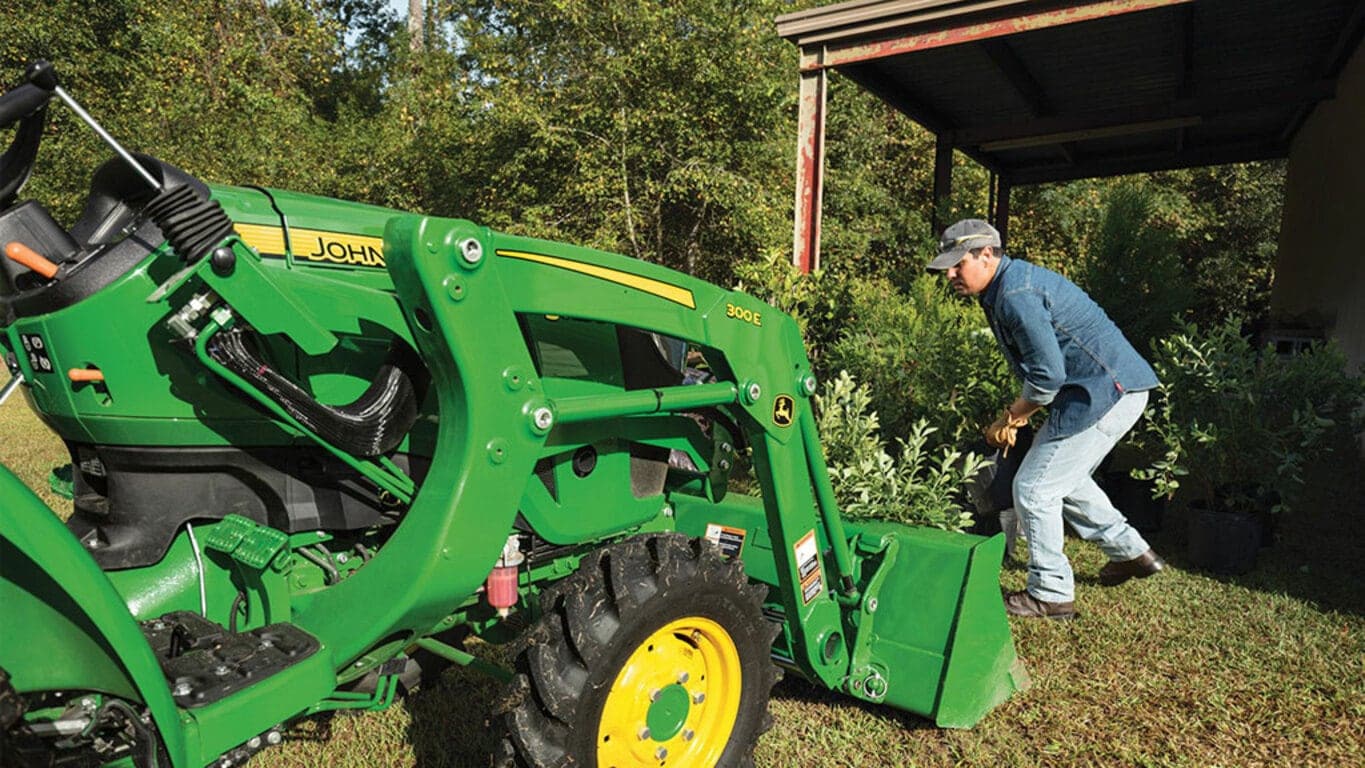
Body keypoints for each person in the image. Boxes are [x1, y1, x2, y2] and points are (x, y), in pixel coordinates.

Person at [928, 218, 1165, 619]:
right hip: (1106, 390)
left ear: (987, 255)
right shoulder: (1007, 285)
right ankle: (1131, 553)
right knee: (1060, 478)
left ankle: (1051, 593)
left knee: (1035, 488)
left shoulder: (1015, 294)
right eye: (947, 265)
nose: (950, 274)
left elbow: (1048, 376)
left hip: (1105, 393)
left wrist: (1011, 417)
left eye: (958, 263)